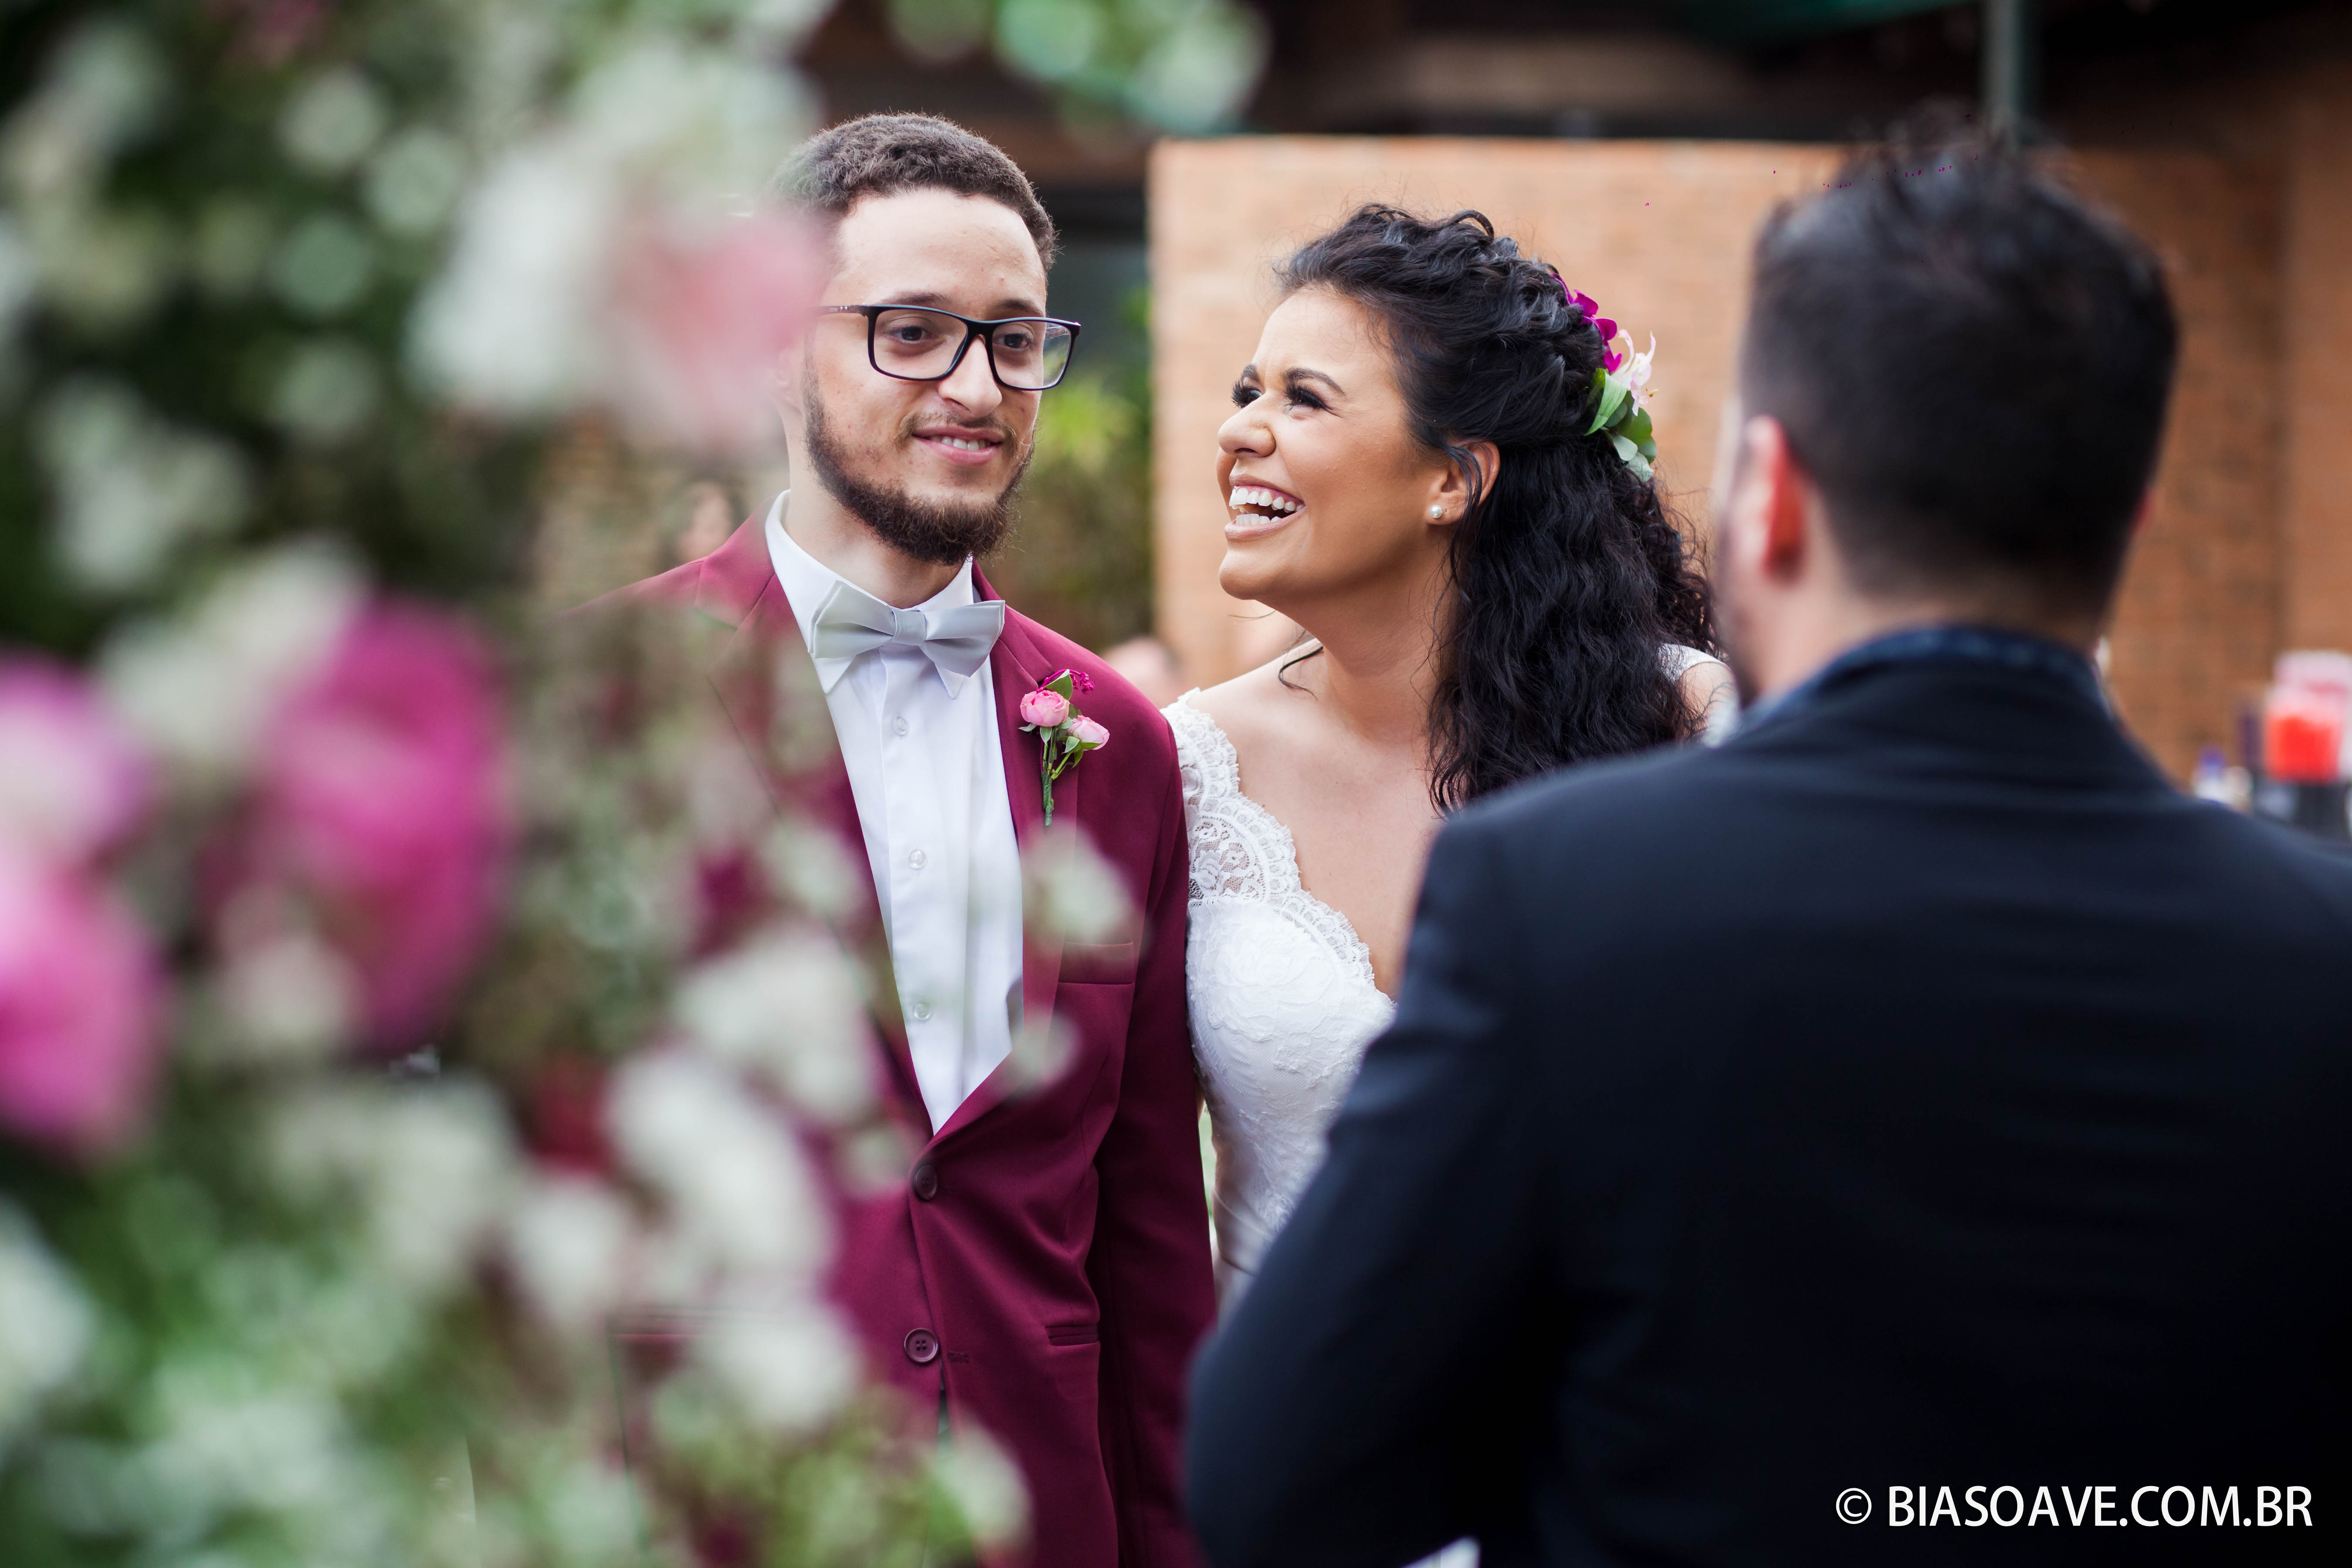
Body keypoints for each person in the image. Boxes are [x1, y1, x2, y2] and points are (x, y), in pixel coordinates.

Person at [1185, 131, 2352, 1568]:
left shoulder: (1561, 891)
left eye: (1302, 395)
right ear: (2136, 519)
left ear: (1775, 494)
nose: (1246, 427)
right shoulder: (2323, 955)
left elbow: (1279, 1471)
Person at [596, 113, 1213, 1567]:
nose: (978, 389)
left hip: (1042, 1518)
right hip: (709, 1510)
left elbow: (1149, 1234)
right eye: (914, 332)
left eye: (1016, 341)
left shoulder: (1118, 742)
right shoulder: (606, 697)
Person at [1165, 205, 1728, 1313]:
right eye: (1247, 393)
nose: (1239, 433)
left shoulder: (1688, 728)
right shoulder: (1187, 763)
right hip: (1291, 1404)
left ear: (1454, 479)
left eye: (1303, 398)